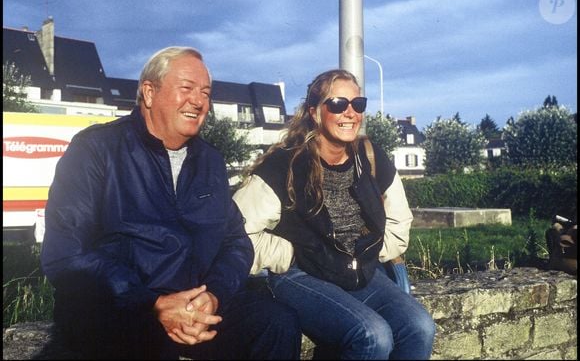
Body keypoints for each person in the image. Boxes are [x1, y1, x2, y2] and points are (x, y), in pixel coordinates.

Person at [40, 46, 301, 360]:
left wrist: (214, 296)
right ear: (149, 93)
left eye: (205, 92)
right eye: (187, 89)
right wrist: (151, 303)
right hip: (122, 306)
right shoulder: (97, 149)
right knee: (151, 344)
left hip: (195, 305)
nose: (199, 101)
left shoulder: (210, 162)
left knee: (276, 323)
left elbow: (236, 243)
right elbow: (64, 253)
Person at [233, 69, 436, 359]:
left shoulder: (370, 157)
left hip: (356, 272)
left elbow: (399, 220)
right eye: (338, 104)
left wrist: (367, 253)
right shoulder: (284, 167)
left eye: (358, 104)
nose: (350, 113)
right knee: (372, 336)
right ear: (315, 112)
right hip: (301, 274)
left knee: (420, 326)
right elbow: (236, 233)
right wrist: (287, 254)